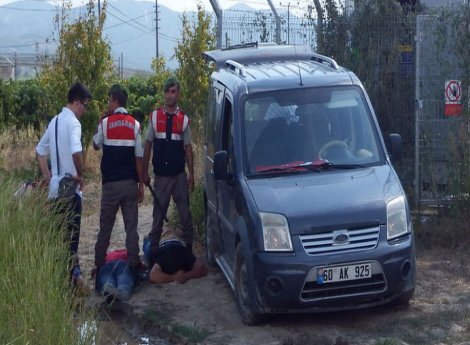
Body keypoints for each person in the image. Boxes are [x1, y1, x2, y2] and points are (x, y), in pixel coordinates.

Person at [35, 82, 91, 285]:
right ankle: (71, 285)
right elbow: (76, 150)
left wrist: (48, 177)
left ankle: (59, 283)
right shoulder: (74, 123)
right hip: (70, 190)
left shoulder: (54, 122)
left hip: (55, 190)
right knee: (71, 240)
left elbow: (40, 151)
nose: (84, 110)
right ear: (76, 102)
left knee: (58, 238)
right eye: (84, 105)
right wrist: (80, 175)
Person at [92, 84, 145, 280]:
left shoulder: (105, 123)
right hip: (129, 184)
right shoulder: (135, 124)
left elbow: (95, 145)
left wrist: (100, 121)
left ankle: (98, 265)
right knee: (131, 226)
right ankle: (134, 264)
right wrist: (140, 184)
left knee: (105, 227)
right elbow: (139, 157)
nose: (108, 103)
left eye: (109, 100)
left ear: (115, 101)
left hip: (110, 186)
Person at [142, 76, 195, 267]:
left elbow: (188, 148)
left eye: (174, 91)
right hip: (162, 177)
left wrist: (192, 174)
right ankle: (153, 257)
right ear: (164, 93)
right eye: (168, 91)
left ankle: (188, 252)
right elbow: (147, 145)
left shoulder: (184, 119)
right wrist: (144, 173)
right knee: (157, 218)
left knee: (185, 216)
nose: (170, 95)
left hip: (179, 175)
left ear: (178, 94)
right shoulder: (155, 117)